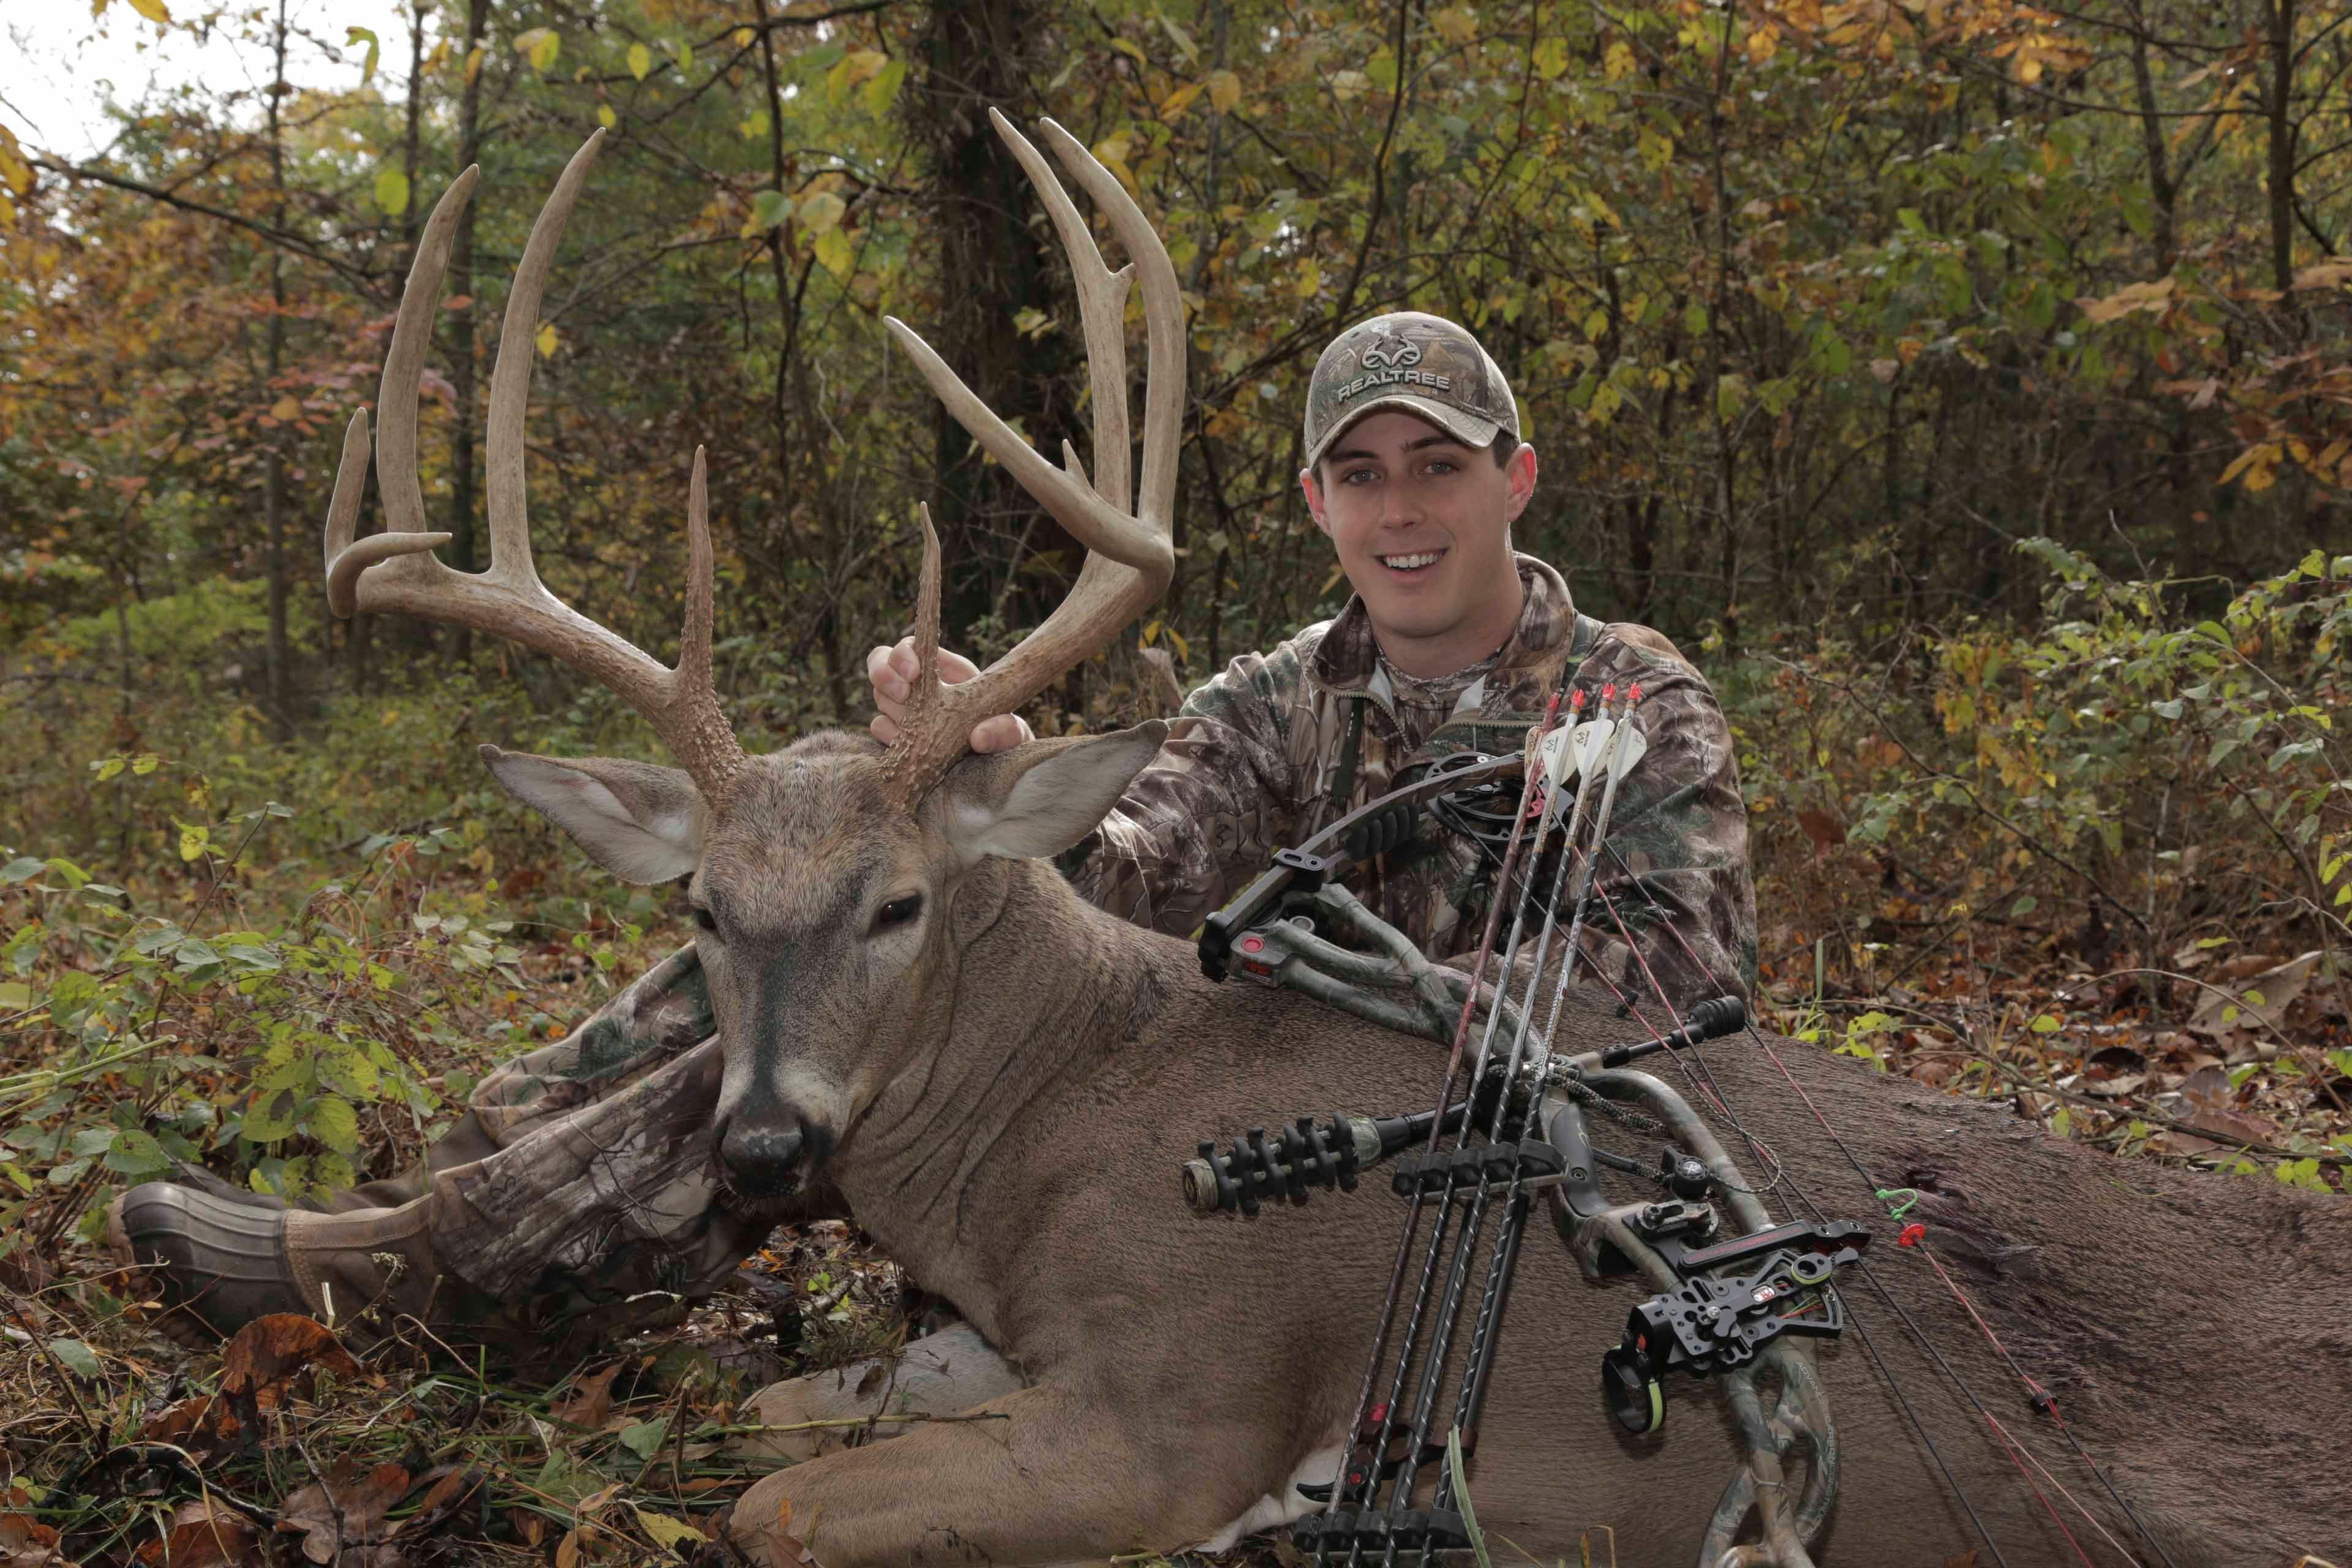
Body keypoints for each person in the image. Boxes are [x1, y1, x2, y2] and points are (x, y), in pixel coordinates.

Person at [108, 312, 1755, 1351]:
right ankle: (483, 1194)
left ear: (1514, 478)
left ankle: (424, 1260)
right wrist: (986, 772)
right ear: (1320, 504)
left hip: (1451, 1167)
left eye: (1439, 468)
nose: (1404, 510)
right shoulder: (1269, 698)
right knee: (834, 895)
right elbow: (1114, 886)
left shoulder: (1632, 702)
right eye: (1363, 475)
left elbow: (1674, 1010)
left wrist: (1334, 1036)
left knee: (878, 966)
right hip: (1216, 1107)